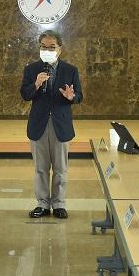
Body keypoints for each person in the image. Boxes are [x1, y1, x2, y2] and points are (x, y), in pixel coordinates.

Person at [20, 30, 83, 219]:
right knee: (40, 168)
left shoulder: (70, 70)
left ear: (59, 50)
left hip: (60, 125)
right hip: (39, 125)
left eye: (51, 47)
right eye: (43, 47)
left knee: (60, 169)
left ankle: (59, 204)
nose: (47, 50)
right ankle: (42, 204)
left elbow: (79, 95)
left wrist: (72, 97)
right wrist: (36, 85)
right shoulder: (31, 70)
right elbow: (25, 94)